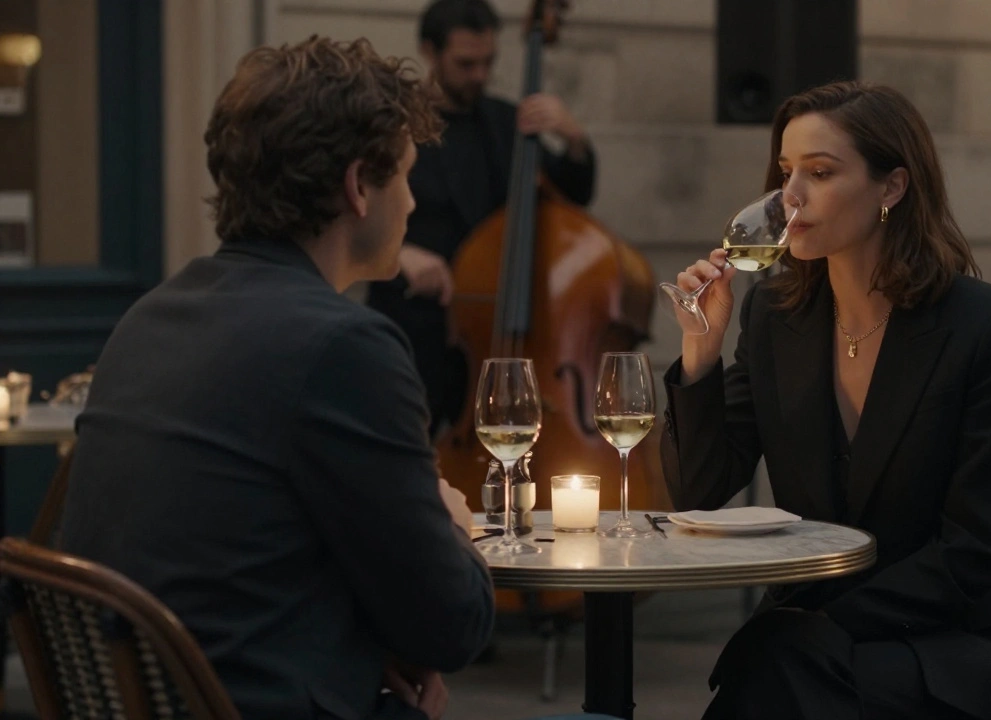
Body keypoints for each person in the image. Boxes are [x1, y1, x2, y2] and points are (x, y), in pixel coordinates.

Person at [55, 36, 616, 720]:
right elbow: (457, 625)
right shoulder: (341, 347)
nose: (410, 202)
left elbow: (230, 568)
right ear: (358, 187)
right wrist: (455, 522)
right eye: (405, 176)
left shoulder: (150, 318)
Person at [662, 80, 991, 720]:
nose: (792, 196)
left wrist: (821, 621)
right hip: (812, 646)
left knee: (775, 678)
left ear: (892, 187)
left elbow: (970, 555)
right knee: (786, 678)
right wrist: (702, 351)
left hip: (944, 649)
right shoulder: (778, 316)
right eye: (786, 172)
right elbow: (698, 490)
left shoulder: (985, 326)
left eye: (821, 172)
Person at [366, 0, 595, 436]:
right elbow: (352, 213)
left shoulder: (505, 121)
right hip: (416, 336)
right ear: (429, 51)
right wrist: (400, 253)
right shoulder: (391, 123)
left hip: (494, 332)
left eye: (487, 62)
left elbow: (574, 194)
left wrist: (575, 139)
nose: (479, 75)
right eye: (465, 63)